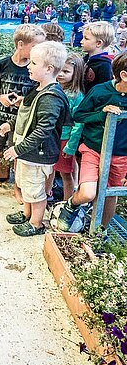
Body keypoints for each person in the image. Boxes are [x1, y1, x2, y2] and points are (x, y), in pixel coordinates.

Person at [0, 41, 71, 236]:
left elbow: (42, 130)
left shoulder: (50, 97)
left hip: (37, 154)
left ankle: (36, 223)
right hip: (28, 153)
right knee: (26, 185)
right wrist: (11, 125)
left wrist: (18, 149)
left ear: (49, 69)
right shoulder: (38, 88)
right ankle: (26, 213)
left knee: (35, 190)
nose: (28, 66)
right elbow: (28, 118)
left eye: (33, 63)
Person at [0, 23, 46, 200]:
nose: (39, 51)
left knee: (17, 155)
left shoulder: (34, 68)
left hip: (21, 123)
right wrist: (0, 97)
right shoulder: (3, 64)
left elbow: (39, 92)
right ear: (21, 44)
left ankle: (17, 189)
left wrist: (24, 101)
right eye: (35, 46)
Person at [56, 51, 127, 231]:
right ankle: (71, 203)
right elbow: (79, 114)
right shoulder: (100, 91)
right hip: (93, 149)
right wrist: (102, 113)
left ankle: (98, 232)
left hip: (121, 155)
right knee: (88, 193)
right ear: (124, 76)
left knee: (111, 194)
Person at [46, 53, 84, 201]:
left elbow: (79, 123)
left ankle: (67, 203)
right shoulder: (53, 88)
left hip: (64, 139)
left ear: (76, 73)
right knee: (48, 169)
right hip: (51, 136)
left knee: (65, 174)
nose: (61, 74)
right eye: (59, 69)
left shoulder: (76, 96)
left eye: (66, 71)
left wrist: (71, 145)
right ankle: (46, 195)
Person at [81, 21, 115, 94]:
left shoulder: (105, 65)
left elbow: (104, 91)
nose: (81, 41)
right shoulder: (86, 59)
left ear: (99, 43)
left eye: (86, 39)